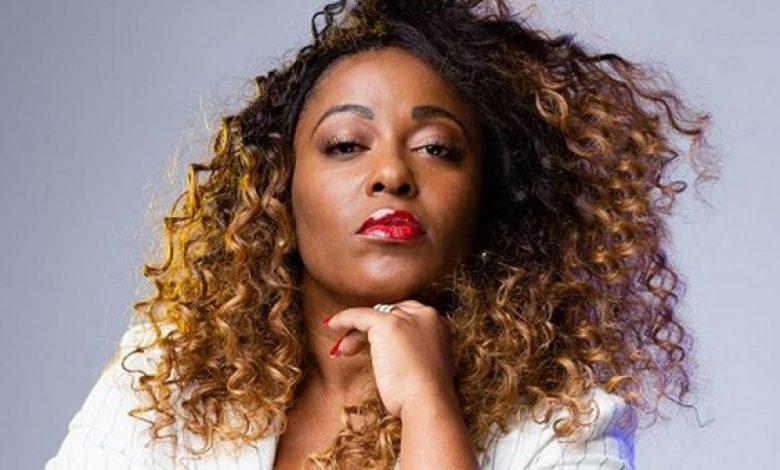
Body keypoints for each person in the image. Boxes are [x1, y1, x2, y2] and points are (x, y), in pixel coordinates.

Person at [46, 0, 718, 469]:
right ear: (278, 189)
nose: (392, 173)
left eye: (437, 149)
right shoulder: (166, 379)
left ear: (490, 202)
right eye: (345, 144)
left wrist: (429, 408)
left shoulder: (567, 426)